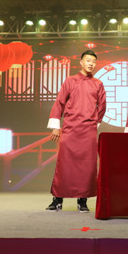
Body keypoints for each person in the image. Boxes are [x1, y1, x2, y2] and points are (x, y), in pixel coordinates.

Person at [46, 50, 106, 212]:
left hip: (88, 131)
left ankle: (83, 201)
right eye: (88, 60)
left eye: (93, 61)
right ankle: (57, 199)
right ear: (81, 62)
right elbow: (59, 102)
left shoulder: (98, 84)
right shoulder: (70, 81)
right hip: (70, 128)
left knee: (87, 166)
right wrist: (56, 126)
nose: (91, 64)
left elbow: (102, 106)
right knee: (64, 164)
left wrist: (94, 123)